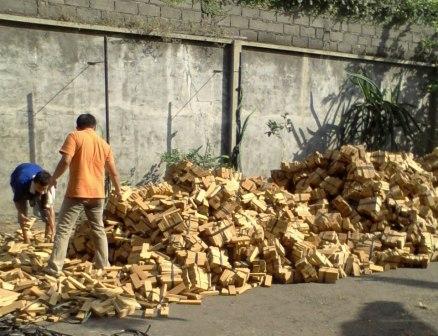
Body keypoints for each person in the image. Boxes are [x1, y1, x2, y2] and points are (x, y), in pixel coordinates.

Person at [44, 113, 122, 276]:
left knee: (64, 229)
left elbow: (66, 160)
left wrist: (53, 179)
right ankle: (103, 265)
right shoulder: (104, 144)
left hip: (77, 193)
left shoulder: (74, 136)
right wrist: (118, 191)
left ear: (78, 126)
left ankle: (54, 268)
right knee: (98, 229)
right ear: (94, 127)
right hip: (98, 195)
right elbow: (113, 173)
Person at [10, 163, 56, 243]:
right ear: (34, 183)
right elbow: (17, 201)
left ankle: (48, 237)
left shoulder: (50, 187)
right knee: (23, 211)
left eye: (44, 189)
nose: (42, 192)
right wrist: (20, 213)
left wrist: (54, 231)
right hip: (18, 176)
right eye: (39, 188)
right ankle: (26, 239)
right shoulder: (21, 183)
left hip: (34, 173)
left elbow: (50, 210)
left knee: (45, 209)